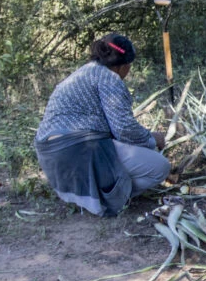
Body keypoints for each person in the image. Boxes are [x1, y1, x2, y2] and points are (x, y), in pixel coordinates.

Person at [35, 33, 171, 216]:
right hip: (78, 149)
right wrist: (152, 139)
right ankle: (109, 198)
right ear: (124, 65)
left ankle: (83, 197)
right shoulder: (110, 78)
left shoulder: (82, 73)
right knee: (160, 167)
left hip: (50, 156)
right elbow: (123, 129)